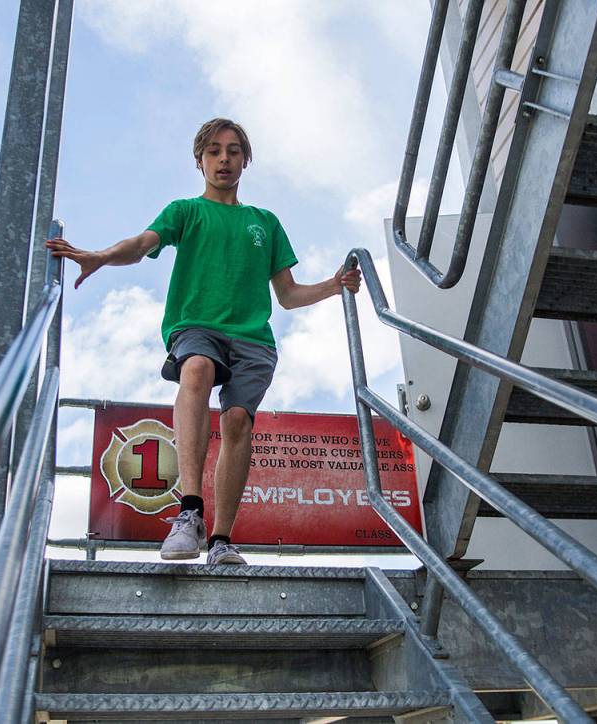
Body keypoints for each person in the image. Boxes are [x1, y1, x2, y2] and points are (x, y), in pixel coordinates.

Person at [46, 118, 361, 565]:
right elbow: (141, 243)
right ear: (200, 161)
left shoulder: (264, 222)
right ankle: (189, 513)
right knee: (196, 369)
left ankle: (221, 541)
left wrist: (333, 285)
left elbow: (288, 296)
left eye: (233, 151)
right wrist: (101, 256)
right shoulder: (185, 211)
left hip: (253, 339)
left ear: (245, 160)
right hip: (197, 325)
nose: (224, 159)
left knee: (237, 423)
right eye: (213, 151)